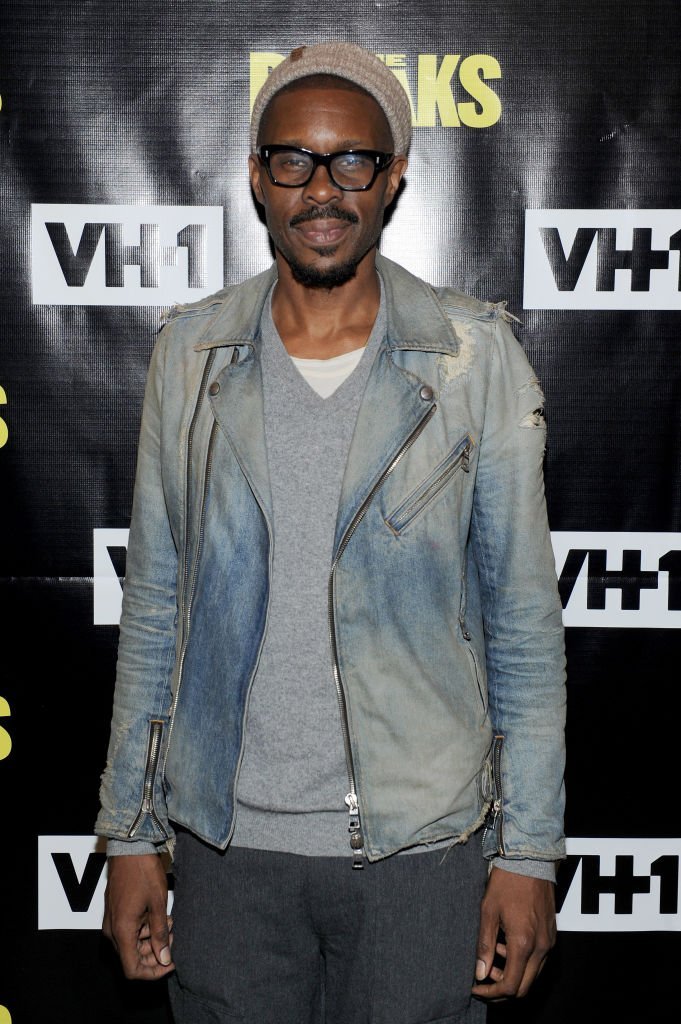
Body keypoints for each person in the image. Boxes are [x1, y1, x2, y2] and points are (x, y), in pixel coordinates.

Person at [96, 41, 566, 1024]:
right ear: (257, 177)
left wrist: (526, 856)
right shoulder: (192, 353)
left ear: (394, 176)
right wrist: (131, 833)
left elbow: (521, 628)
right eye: (293, 159)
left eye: (352, 160)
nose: (323, 188)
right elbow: (154, 612)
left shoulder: (472, 359)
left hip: (418, 851)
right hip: (228, 852)